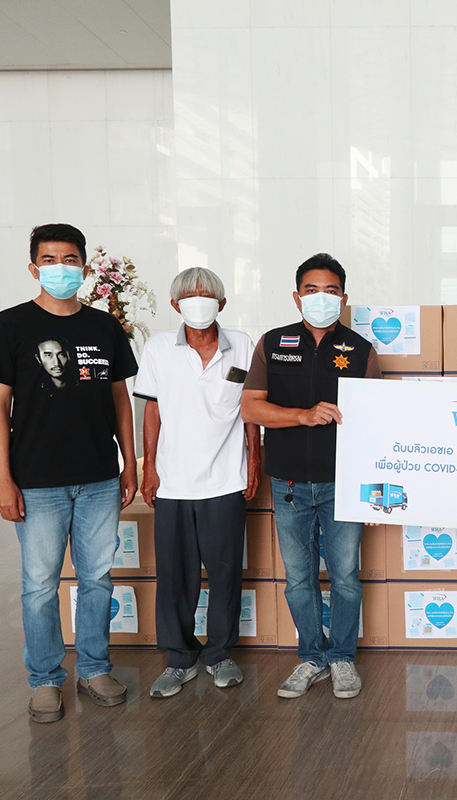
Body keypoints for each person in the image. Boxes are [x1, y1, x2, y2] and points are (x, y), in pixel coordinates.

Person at [0, 223, 138, 723]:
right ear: (34, 268)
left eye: (69, 259)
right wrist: (2, 478)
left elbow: (120, 399)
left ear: (84, 267)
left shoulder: (105, 327)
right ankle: (46, 678)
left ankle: (93, 669)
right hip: (36, 479)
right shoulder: (11, 325)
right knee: (39, 586)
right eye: (49, 260)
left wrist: (130, 461)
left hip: (99, 477)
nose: (60, 268)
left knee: (97, 580)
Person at [241, 253, 381, 699]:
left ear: (344, 298)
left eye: (331, 290)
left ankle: (341, 657)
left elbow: (377, 426)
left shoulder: (361, 350)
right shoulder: (272, 343)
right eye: (312, 290)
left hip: (343, 485)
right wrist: (302, 415)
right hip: (289, 485)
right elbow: (250, 408)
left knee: (345, 577)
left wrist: (375, 490)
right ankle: (312, 657)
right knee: (299, 579)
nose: (322, 297)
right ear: (297, 296)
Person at [133, 267, 262, 698]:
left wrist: (254, 460)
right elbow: (152, 411)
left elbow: (249, 408)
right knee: (175, 577)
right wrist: (149, 467)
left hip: (225, 480)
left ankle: (220, 654)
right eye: (190, 295)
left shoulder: (241, 344)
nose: (199, 302)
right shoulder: (157, 347)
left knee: (225, 574)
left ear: (222, 303)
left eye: (207, 295)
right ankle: (179, 659)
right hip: (173, 482)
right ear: (176, 304)